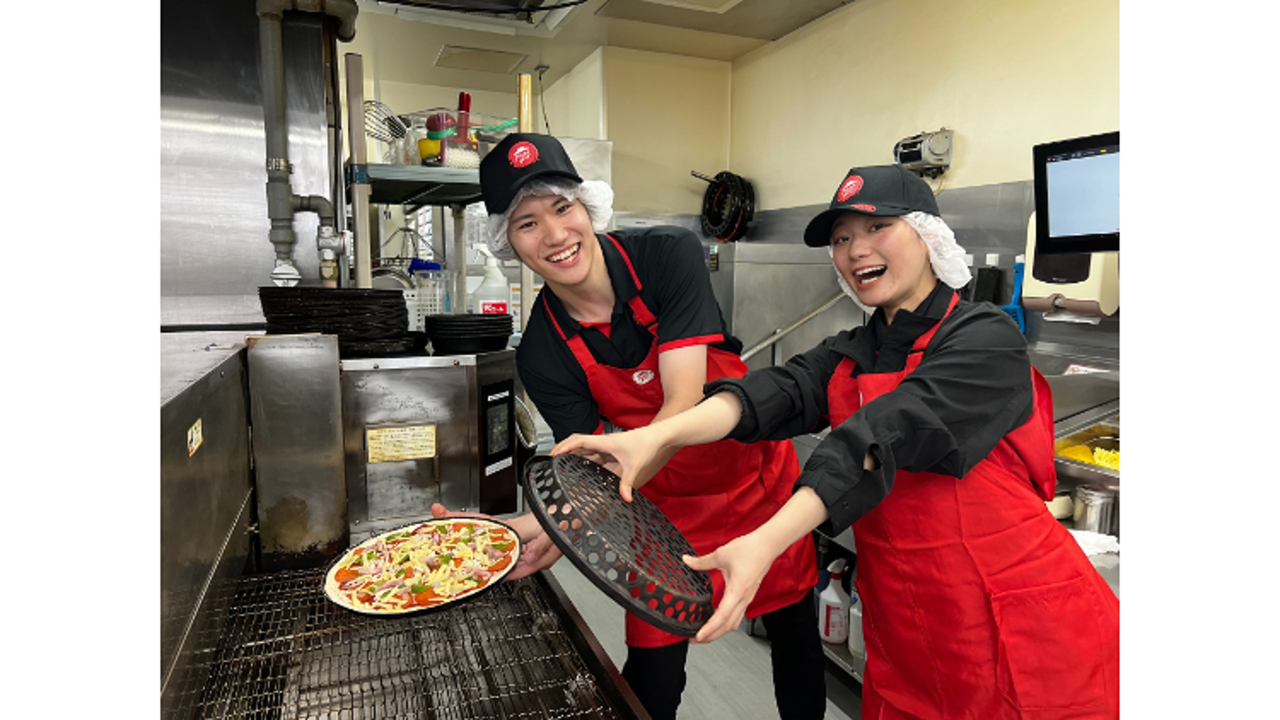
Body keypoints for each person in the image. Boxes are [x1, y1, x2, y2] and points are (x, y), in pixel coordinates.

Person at [555, 164, 1121, 719]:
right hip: (908, 630)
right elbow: (767, 396)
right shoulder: (849, 352)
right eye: (842, 237)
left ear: (927, 235)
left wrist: (766, 540)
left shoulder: (985, 337)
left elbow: (877, 437)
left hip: (1020, 623)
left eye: (878, 228)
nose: (855, 249)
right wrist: (655, 437)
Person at [435, 133, 826, 720]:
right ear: (508, 245)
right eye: (527, 224)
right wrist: (541, 525)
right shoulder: (543, 351)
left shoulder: (666, 254)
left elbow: (684, 400)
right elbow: (593, 472)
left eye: (562, 208)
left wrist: (569, 518)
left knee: (796, 638)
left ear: (587, 207)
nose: (555, 236)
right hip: (657, 510)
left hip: (757, 485)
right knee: (653, 674)